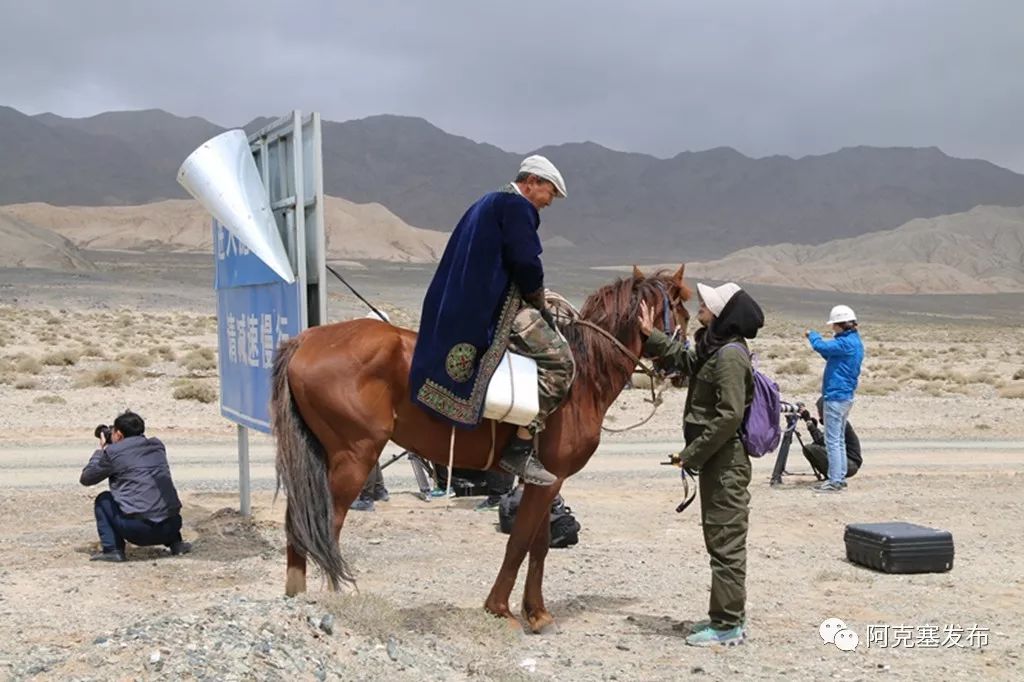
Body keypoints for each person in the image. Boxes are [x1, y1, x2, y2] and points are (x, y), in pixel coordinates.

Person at [409, 155, 574, 486]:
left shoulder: (486, 201)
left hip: (461, 305)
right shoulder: (518, 207)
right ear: (532, 182)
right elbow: (526, 262)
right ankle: (521, 446)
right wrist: (538, 297)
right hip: (496, 308)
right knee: (561, 363)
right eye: (550, 194)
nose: (548, 204)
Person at [639, 281, 764, 647]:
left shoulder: (729, 356)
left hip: (725, 464)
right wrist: (651, 335)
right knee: (718, 539)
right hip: (715, 459)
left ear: (724, 315)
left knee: (725, 542)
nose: (700, 310)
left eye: (707, 305)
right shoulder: (714, 348)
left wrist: (690, 456)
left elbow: (727, 418)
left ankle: (727, 626)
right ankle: (728, 617)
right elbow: (686, 361)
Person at [79, 410, 191, 562]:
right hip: (172, 526)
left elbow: (86, 479)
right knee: (155, 490)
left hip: (139, 531)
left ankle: (113, 550)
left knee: (103, 499)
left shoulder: (112, 453)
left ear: (118, 434)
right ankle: (177, 544)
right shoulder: (157, 446)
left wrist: (102, 450)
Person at [805, 305, 864, 493]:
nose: (832, 329)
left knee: (833, 440)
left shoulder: (845, 343)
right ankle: (839, 476)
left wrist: (812, 335)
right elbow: (828, 352)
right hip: (845, 396)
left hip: (836, 396)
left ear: (840, 325)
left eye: (834, 325)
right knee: (838, 439)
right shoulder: (853, 342)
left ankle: (835, 480)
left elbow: (820, 345)